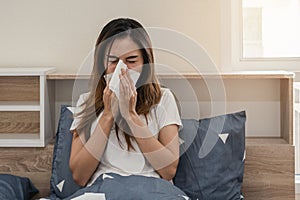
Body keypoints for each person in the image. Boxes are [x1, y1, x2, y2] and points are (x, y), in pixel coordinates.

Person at [69, 18, 183, 188]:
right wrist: (108, 115)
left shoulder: (163, 99)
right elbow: (79, 176)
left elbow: (168, 170)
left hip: (151, 189)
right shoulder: (86, 102)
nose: (122, 69)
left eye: (131, 61)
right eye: (113, 61)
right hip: (104, 189)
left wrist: (130, 115)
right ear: (102, 62)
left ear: (145, 62)